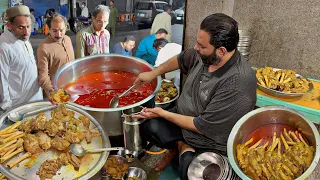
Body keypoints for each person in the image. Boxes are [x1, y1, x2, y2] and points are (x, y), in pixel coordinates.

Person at [133, 13, 257, 179]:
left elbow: (201, 126)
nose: (196, 48)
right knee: (147, 126)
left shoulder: (237, 84)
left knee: (193, 174)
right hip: (183, 117)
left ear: (221, 51)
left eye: (202, 46)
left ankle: (184, 147)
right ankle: (180, 145)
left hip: (208, 140)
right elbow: (182, 58)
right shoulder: (205, 55)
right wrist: (153, 73)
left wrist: (162, 113)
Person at [0, 5, 43, 112]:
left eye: (28, 26)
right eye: (21, 27)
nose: (26, 32)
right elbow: (2, 81)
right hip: (19, 107)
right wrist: (8, 109)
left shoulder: (23, 38)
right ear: (9, 26)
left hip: (36, 100)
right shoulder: (4, 47)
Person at [37, 14, 75, 97]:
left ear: (66, 28)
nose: (59, 34)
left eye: (61, 30)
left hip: (71, 87)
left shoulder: (68, 39)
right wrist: (51, 91)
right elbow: (43, 76)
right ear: (49, 29)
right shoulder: (44, 48)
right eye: (54, 31)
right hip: (56, 93)